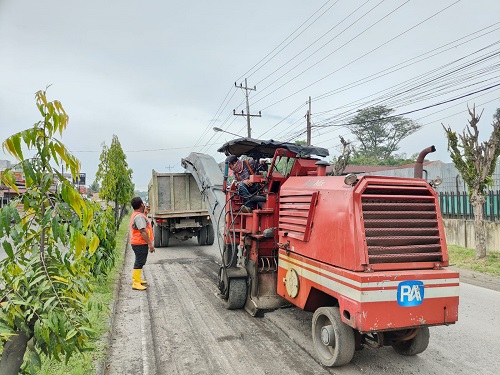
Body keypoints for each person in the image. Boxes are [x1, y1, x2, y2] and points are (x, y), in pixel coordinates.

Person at [129, 196, 155, 290]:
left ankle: (137, 279)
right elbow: (143, 231)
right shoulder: (139, 216)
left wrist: (145, 213)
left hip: (137, 242)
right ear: (141, 204)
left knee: (140, 260)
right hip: (139, 243)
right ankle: (136, 283)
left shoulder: (138, 214)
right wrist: (150, 244)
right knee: (139, 261)